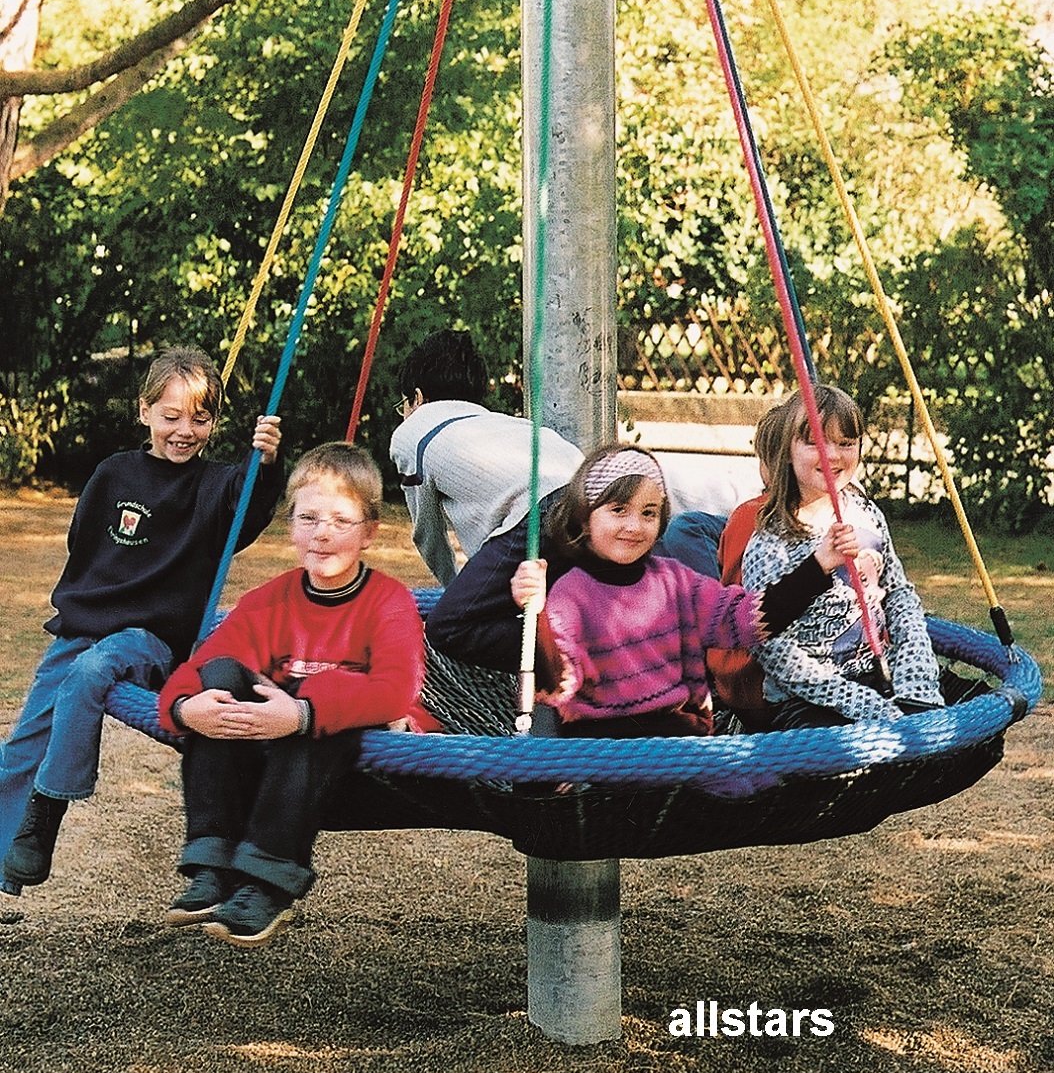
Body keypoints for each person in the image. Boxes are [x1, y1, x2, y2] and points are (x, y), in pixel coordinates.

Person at [0, 347, 283, 899]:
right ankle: (6, 866)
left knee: (95, 667)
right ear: (145, 411)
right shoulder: (113, 474)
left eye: (200, 418)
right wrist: (91, 605)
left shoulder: (220, 484)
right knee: (23, 741)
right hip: (84, 625)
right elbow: (81, 542)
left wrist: (266, 465)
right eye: (171, 415)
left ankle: (48, 810)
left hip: (150, 637)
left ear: (215, 423)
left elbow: (248, 514)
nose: (184, 431)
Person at [158, 442, 425, 948]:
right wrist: (184, 707)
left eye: (341, 521)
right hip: (268, 751)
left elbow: (397, 689)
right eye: (309, 517)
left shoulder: (389, 601)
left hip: (355, 749)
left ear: (369, 533)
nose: (322, 533)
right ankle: (213, 863)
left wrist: (301, 713)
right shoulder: (269, 600)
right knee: (220, 677)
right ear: (290, 526)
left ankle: (267, 881)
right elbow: (195, 670)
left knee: (324, 689)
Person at [510, 443, 854, 737]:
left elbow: (748, 619)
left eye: (648, 513)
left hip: (677, 737)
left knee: (753, 785)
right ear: (584, 519)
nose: (634, 526)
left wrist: (817, 565)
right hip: (602, 742)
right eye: (618, 511)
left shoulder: (676, 582)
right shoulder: (570, 595)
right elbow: (556, 685)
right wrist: (536, 613)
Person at [741, 384, 944, 727]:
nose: (832, 455)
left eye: (846, 443)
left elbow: (898, 594)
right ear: (787, 451)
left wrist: (915, 674)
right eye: (815, 442)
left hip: (879, 674)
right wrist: (857, 701)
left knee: (959, 738)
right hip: (808, 696)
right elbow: (770, 646)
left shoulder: (866, 514)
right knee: (846, 762)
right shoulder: (770, 543)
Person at [390, 328, 583, 586]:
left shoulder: (412, 431)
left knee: (448, 623)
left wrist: (455, 592)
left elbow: (428, 533)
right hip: (589, 492)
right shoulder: (500, 423)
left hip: (537, 509)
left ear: (417, 397)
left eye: (403, 404)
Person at [705, 401, 789, 730]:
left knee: (686, 532)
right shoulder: (849, 512)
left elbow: (730, 583)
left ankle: (732, 720)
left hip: (750, 681)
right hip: (838, 665)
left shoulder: (750, 516)